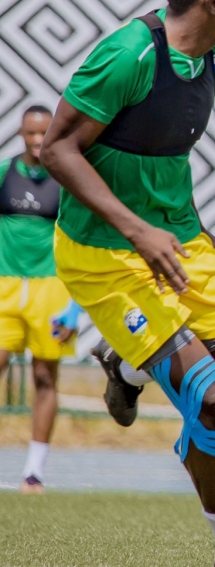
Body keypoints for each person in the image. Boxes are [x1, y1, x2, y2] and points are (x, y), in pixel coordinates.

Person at [42, 0, 215, 566]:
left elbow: (162, 160)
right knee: (207, 392)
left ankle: (126, 365)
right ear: (212, 0)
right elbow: (58, 150)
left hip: (179, 240)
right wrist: (139, 231)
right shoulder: (127, 57)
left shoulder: (214, 65)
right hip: (104, 253)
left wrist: (198, 229)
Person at [0, 105, 83, 494]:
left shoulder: (66, 179)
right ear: (20, 133)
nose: (37, 140)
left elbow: (81, 242)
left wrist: (73, 308)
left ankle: (34, 471)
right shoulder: (4, 173)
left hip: (51, 288)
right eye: (30, 133)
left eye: (43, 133)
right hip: (6, 286)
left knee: (44, 377)